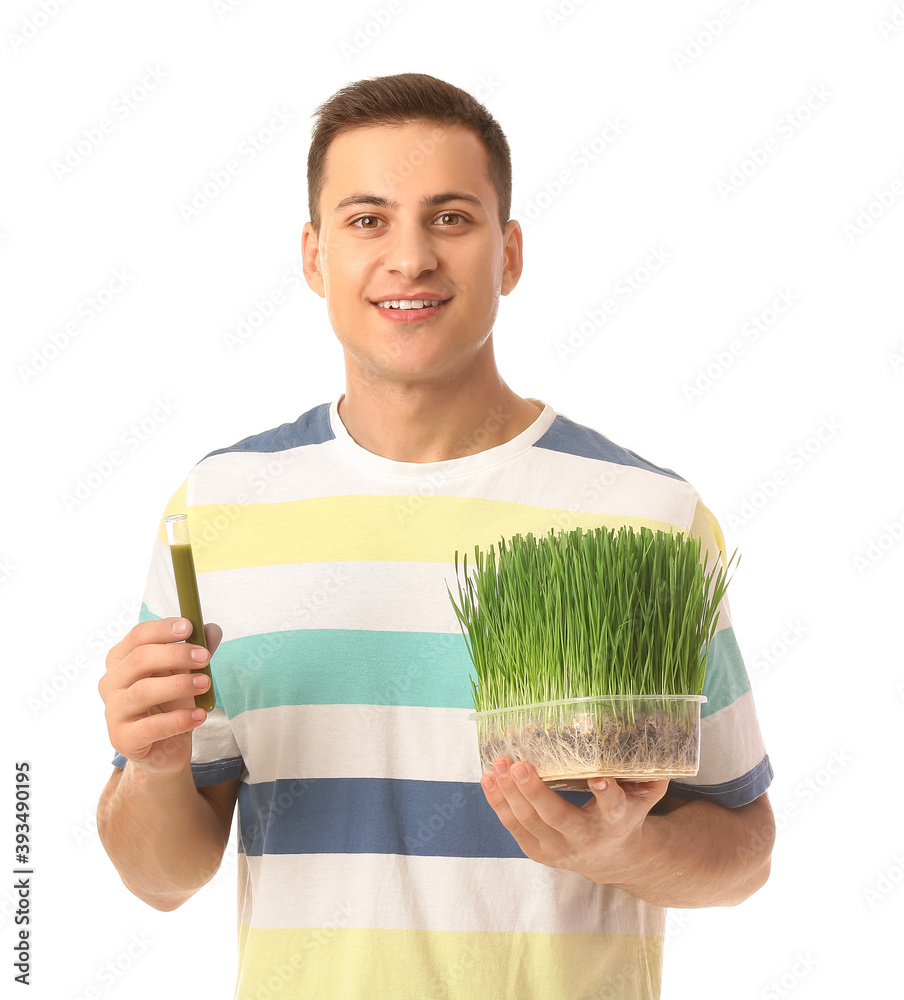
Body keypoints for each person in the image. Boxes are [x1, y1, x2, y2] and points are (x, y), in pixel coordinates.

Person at [97, 72, 774, 1000]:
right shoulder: (214, 511)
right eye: (367, 220)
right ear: (313, 255)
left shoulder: (645, 514)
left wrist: (632, 849)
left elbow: (743, 849)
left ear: (510, 253)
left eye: (450, 218)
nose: (409, 257)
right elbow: (162, 875)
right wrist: (153, 765)